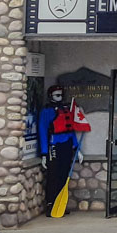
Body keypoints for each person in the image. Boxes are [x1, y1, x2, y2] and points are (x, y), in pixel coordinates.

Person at [38, 85, 89, 217]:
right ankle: (51, 204)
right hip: (53, 145)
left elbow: (71, 131)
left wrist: (77, 149)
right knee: (53, 175)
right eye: (57, 95)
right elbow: (43, 132)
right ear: (51, 96)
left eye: (61, 95)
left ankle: (60, 203)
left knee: (63, 175)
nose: (59, 98)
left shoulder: (66, 109)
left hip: (66, 145)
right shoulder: (47, 111)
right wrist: (44, 153)